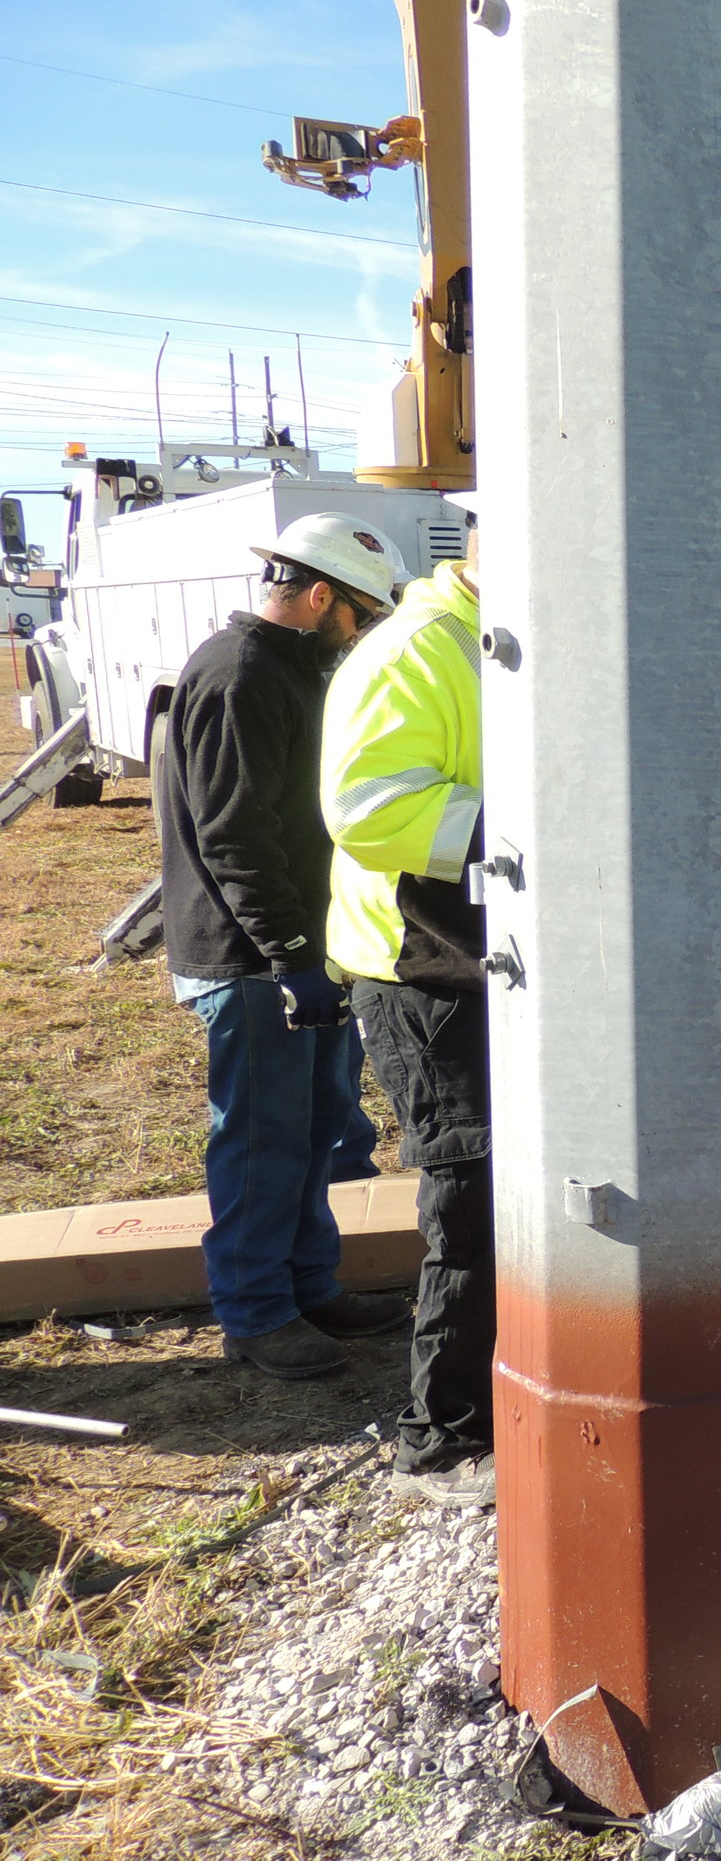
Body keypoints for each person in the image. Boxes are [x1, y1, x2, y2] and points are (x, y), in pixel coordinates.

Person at [160, 514, 412, 1379]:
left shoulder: (289, 670)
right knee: (263, 1139)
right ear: (318, 596)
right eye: (364, 613)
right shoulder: (238, 677)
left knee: (314, 1133)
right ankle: (257, 1311)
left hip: (298, 951)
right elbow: (236, 838)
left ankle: (309, 1284)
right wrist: (291, 956)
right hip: (254, 962)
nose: (368, 630)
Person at [322, 542, 495, 1509]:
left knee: (496, 1187)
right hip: (415, 968)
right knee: (468, 1188)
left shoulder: (485, 641)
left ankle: (483, 1399)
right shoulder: (417, 649)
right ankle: (439, 1439)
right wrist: (512, 819)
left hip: (468, 960)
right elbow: (363, 806)